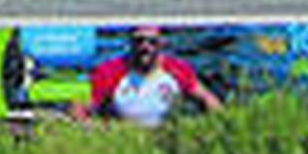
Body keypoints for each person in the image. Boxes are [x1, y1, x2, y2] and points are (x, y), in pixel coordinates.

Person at [68, 24, 222, 127]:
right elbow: (78, 108)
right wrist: (97, 129)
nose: (145, 47)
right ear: (130, 42)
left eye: (151, 42)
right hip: (123, 138)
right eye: (139, 41)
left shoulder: (177, 70)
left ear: (161, 44)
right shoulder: (109, 72)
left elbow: (208, 100)